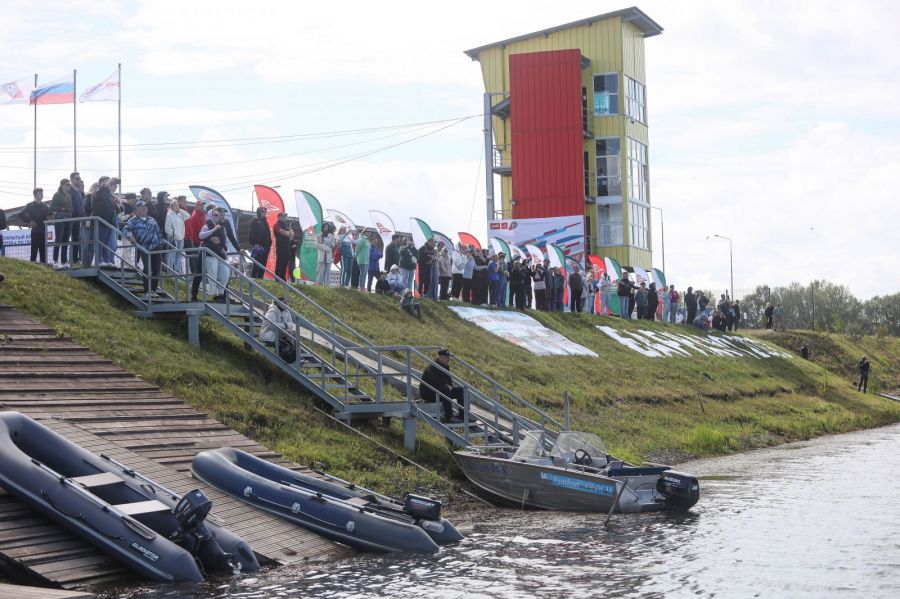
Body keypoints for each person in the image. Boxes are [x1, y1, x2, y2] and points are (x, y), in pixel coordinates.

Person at [121, 200, 165, 297]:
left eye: (145, 207)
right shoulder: (133, 220)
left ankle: (153, 290)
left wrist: (160, 244)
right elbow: (125, 229)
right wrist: (131, 237)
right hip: (144, 248)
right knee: (148, 269)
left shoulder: (152, 219)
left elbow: (159, 233)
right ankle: (147, 291)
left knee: (156, 269)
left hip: (157, 248)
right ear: (137, 209)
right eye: (141, 207)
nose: (144, 208)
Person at [198, 208, 235, 301]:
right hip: (210, 253)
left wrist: (225, 247)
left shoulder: (222, 227)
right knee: (212, 273)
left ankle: (221, 293)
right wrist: (212, 232)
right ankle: (214, 294)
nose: (217, 216)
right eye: (215, 215)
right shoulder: (207, 226)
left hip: (220, 253)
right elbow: (201, 235)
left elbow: (226, 240)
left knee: (225, 273)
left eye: (218, 215)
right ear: (210, 216)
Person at [419, 348, 464, 422]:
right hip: (429, 393)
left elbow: (449, 381)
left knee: (460, 390)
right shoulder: (432, 366)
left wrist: (450, 386)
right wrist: (446, 386)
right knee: (445, 390)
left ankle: (463, 416)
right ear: (440, 357)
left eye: (449, 357)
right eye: (446, 357)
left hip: (441, 391)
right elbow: (434, 382)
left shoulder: (446, 366)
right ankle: (449, 417)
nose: (448, 359)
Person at [19, 188, 49, 264]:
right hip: (35, 232)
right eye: (40, 193)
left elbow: (50, 216)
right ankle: (32, 268)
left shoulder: (45, 206)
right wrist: (29, 221)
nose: (42, 195)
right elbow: (20, 214)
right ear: (35, 195)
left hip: (44, 231)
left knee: (44, 253)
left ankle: (44, 268)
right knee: (34, 253)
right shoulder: (30, 205)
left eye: (42, 193)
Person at [49, 179, 73, 267]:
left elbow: (71, 206)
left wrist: (70, 211)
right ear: (62, 185)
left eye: (69, 185)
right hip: (60, 218)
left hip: (68, 218)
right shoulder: (57, 195)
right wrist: (61, 208)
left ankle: (64, 261)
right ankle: (55, 260)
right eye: (67, 185)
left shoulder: (69, 195)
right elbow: (52, 207)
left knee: (66, 240)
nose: (68, 186)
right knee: (58, 239)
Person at [164, 199, 189, 273]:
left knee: (179, 256)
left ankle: (178, 271)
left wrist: (180, 210)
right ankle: (169, 272)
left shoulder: (180, 215)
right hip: (173, 238)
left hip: (181, 238)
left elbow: (188, 216)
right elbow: (167, 227)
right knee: (171, 255)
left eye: (177, 205)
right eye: (175, 205)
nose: (177, 206)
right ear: (171, 206)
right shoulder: (169, 215)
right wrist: (174, 234)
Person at [248, 207, 272, 279]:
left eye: (265, 211)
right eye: (262, 211)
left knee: (263, 263)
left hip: (266, 246)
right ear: (258, 212)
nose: (264, 213)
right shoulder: (255, 221)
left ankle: (260, 278)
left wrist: (269, 243)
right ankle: (253, 278)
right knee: (257, 263)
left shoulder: (265, 221)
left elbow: (268, 233)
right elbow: (252, 233)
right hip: (258, 246)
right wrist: (255, 243)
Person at [271, 212, 294, 282]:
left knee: (284, 263)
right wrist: (290, 232)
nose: (284, 218)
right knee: (280, 262)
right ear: (279, 217)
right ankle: (279, 278)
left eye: (285, 216)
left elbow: (292, 236)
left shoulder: (285, 225)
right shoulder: (276, 225)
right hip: (280, 247)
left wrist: (290, 232)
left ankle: (281, 278)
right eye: (283, 216)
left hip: (287, 246)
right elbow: (284, 233)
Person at [68, 171, 85, 265]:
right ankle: (66, 260)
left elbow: (80, 205)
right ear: (71, 179)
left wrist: (82, 215)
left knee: (76, 239)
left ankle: (75, 259)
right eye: (77, 178)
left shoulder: (78, 190)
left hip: (78, 219)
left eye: (80, 178)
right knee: (67, 239)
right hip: (71, 219)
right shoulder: (69, 189)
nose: (79, 180)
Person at [315, 221, 337, 287]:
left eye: (327, 227)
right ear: (322, 228)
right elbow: (317, 244)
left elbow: (333, 245)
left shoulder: (331, 236)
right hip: (321, 256)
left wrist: (327, 241)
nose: (326, 228)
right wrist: (326, 248)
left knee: (328, 272)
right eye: (325, 227)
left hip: (328, 257)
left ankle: (327, 286)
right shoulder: (318, 235)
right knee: (320, 272)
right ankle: (318, 285)